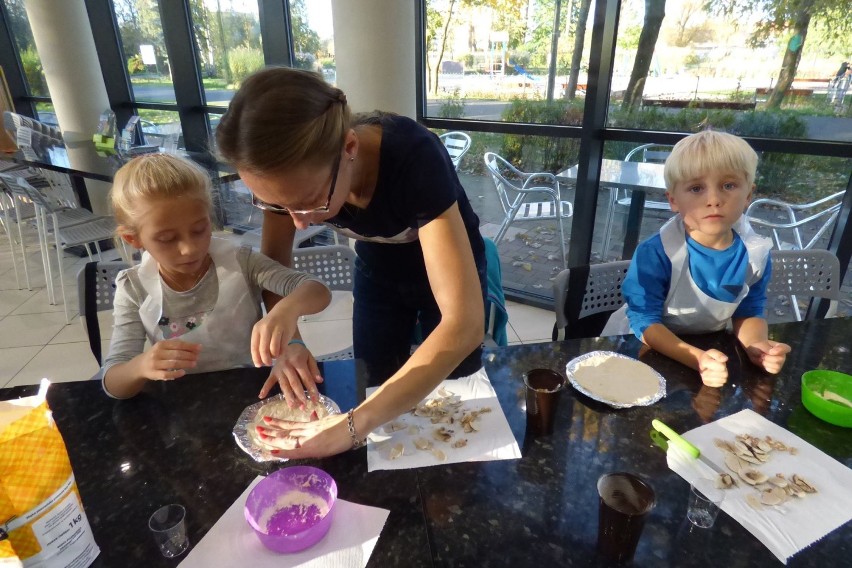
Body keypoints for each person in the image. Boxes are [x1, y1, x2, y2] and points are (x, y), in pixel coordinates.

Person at [215, 67, 486, 458]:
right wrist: (290, 339)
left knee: (455, 387)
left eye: (310, 201)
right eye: (276, 205)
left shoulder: (414, 156)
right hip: (379, 270)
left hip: (446, 270)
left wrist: (351, 426)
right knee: (375, 379)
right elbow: (277, 265)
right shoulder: (285, 174)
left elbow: (463, 325)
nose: (298, 220)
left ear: (350, 148)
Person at [102, 153, 331, 399]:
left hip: (251, 391)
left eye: (200, 230)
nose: (189, 248)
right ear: (133, 239)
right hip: (183, 403)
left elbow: (316, 290)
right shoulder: (134, 287)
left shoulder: (242, 262)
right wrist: (140, 367)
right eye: (167, 239)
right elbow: (114, 384)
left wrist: (287, 309)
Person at [602, 130, 791, 387]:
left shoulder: (755, 254)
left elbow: (749, 311)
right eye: (696, 188)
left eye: (728, 185)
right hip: (643, 347)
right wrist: (696, 359)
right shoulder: (656, 253)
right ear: (673, 200)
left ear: (748, 195)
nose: (714, 200)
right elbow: (645, 320)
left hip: (708, 352)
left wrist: (757, 347)